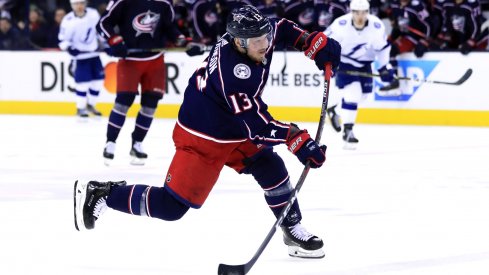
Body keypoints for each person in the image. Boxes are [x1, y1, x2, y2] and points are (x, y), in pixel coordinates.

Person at [75, 5, 341, 259]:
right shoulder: (234, 74)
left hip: (234, 126)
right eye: (256, 40)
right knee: (170, 207)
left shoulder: (255, 35)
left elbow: (280, 27)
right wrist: (296, 138)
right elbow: (258, 126)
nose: (264, 44)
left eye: (264, 37)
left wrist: (310, 42)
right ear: (238, 43)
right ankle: (104, 194)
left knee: (270, 165)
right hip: (203, 136)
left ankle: (291, 228)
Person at [96, 0, 186, 166]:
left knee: (150, 105)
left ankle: (137, 143)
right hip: (130, 59)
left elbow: (169, 27)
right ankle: (111, 142)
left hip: (155, 60)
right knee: (124, 102)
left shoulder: (164, 3)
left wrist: (180, 38)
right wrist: (114, 40)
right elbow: (103, 23)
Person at [324, 0, 395, 149]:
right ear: (351, 11)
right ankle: (348, 132)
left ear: (368, 12)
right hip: (344, 62)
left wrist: (383, 67)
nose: (360, 16)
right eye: (356, 12)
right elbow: (325, 42)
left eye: (363, 12)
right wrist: (329, 63)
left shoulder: (376, 27)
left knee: (362, 97)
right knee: (353, 95)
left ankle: (335, 110)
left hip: (365, 64)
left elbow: (383, 49)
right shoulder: (340, 25)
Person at [58, 0, 104, 119]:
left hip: (94, 55)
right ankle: (80, 108)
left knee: (98, 81)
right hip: (80, 58)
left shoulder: (93, 14)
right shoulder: (67, 20)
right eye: (76, 4)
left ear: (85, 4)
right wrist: (69, 48)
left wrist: (106, 44)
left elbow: (100, 31)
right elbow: (62, 40)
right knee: (82, 83)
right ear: (72, 5)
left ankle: (91, 105)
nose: (79, 6)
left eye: (82, 3)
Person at [380, 0, 432, 91]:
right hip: (403, 36)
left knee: (392, 50)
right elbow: (397, 26)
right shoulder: (395, 5)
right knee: (384, 47)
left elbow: (429, 25)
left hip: (415, 38)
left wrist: (424, 41)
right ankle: (387, 73)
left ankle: (395, 79)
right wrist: (391, 38)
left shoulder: (417, 6)